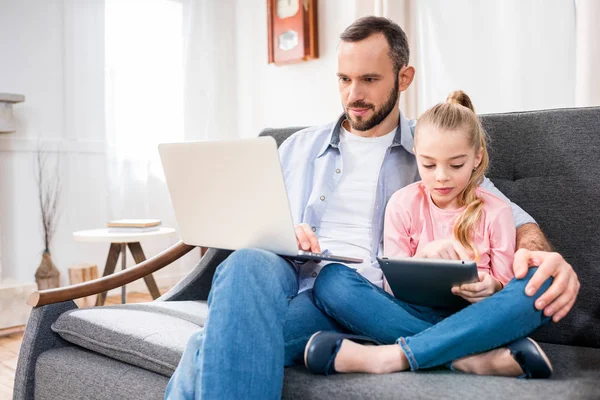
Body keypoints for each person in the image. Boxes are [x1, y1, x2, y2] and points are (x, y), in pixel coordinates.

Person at [164, 16, 580, 400]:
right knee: (246, 262)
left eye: (368, 79)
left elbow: (509, 215)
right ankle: (462, 352)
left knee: (211, 345)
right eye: (344, 79)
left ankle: (399, 351)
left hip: (377, 295)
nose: (353, 94)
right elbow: (254, 224)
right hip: (302, 281)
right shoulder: (296, 148)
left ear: (404, 78)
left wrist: (541, 252)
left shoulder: (434, 144)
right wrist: (284, 234)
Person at [303, 91, 553, 378]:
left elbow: (509, 291)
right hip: (411, 313)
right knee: (332, 280)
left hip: (477, 318)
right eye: (429, 165)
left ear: (476, 158)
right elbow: (390, 288)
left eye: (456, 164)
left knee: (540, 285)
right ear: (416, 157)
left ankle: (390, 356)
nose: (441, 176)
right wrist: (421, 259)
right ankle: (467, 357)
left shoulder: (496, 210)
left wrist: (492, 287)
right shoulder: (402, 203)